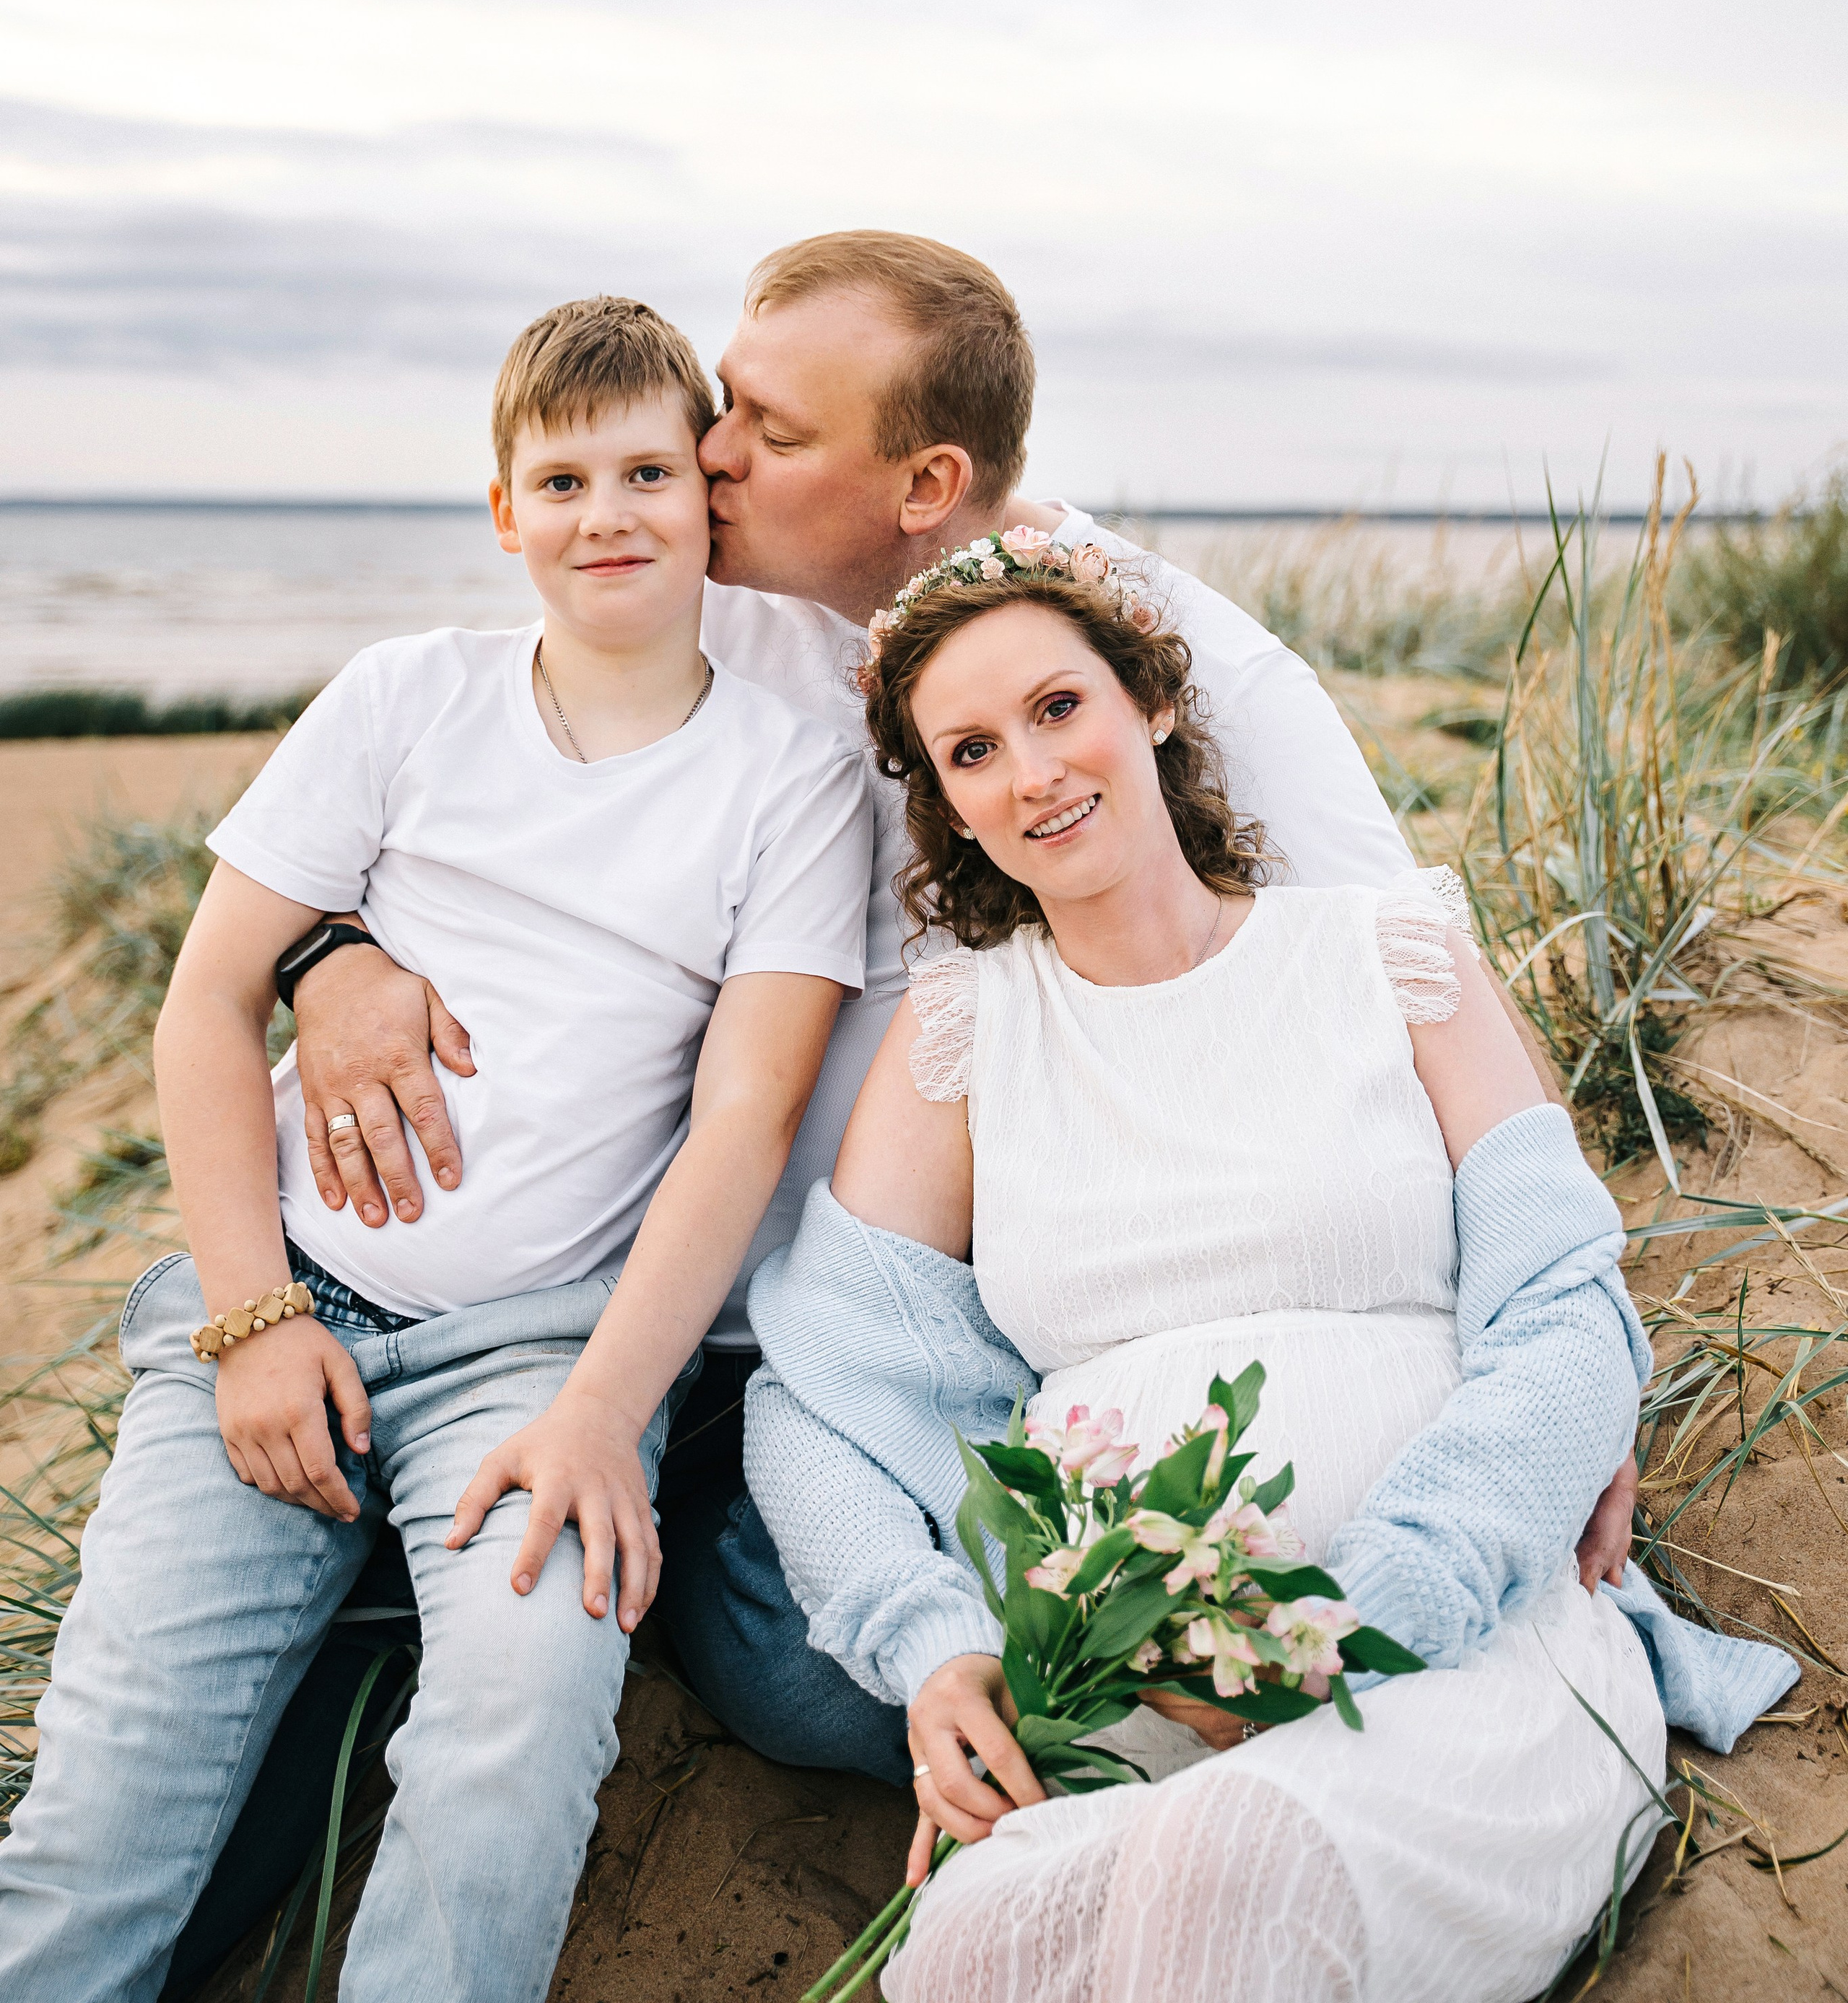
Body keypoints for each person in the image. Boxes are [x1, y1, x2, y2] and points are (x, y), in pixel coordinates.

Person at [281, 230, 1636, 1781]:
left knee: (808, 1656)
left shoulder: (1173, 670)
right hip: (686, 1313)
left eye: (768, 435)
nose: (703, 457)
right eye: (724, 406)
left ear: (922, 486)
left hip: (1006, 1323)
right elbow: (443, 788)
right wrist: (326, 953)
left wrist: (1582, 1382)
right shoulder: (721, 612)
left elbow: (1413, 988)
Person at [742, 531, 1795, 2003]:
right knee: (974, 1946)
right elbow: (815, 1409)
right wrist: (925, 1644)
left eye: (1058, 709)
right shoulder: (962, 1037)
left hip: (1460, 1647)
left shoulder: (1391, 954)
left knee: (1230, 1872)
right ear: (949, 807)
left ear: (1152, 705)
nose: (1032, 773)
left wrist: (1376, 1611)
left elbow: (1563, 1311)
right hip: (1138, 1689)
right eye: (971, 751)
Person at [0, 296, 873, 2003]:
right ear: (502, 514)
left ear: (706, 495)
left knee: (510, 1758)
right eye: (559, 479)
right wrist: (252, 1323)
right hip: (281, 1315)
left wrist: (603, 1416)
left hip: (538, 1363)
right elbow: (203, 1013)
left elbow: (743, 1119)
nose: (604, 514)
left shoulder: (789, 778)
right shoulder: (407, 698)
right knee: (113, 1793)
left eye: (643, 472)